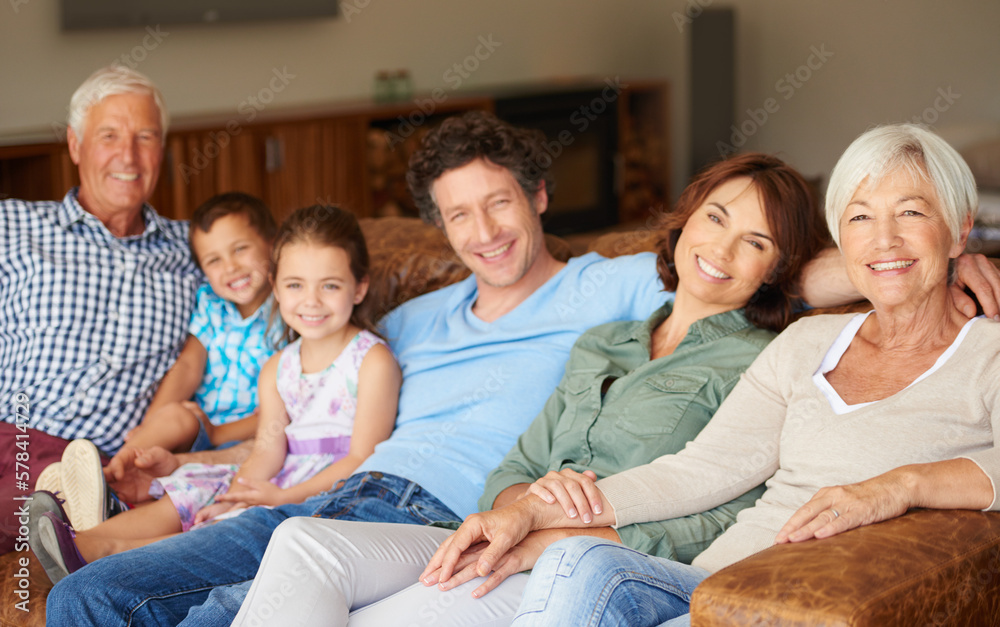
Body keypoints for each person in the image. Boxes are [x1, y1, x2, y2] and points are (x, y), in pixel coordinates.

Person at [45, 111, 676, 626]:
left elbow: (721, 288)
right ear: (440, 226)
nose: (483, 231)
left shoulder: (607, 285)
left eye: (499, 202)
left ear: (538, 196)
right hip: (332, 495)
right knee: (84, 598)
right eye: (458, 214)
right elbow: (310, 426)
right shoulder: (408, 321)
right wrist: (185, 463)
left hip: (437, 519)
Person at [421, 123, 1000, 627]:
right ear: (841, 241)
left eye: (912, 212)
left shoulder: (989, 353)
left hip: (808, 604)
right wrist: (527, 513)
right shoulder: (807, 342)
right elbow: (701, 471)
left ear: (958, 229)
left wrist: (902, 486)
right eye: (860, 217)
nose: (884, 239)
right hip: (707, 588)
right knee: (577, 560)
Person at [228, 152, 830, 626]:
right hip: (500, 531)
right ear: (688, 218)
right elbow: (516, 465)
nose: (721, 249)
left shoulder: (764, 359)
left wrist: (553, 535)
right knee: (304, 543)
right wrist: (523, 505)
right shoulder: (605, 340)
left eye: (757, 242)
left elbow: (730, 509)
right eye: (716, 218)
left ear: (778, 268)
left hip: (583, 563)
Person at [29, 205, 401, 585]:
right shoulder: (278, 367)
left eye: (330, 285)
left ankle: (103, 553)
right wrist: (237, 493)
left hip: (328, 488)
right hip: (280, 472)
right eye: (295, 285)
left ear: (359, 287)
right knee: (205, 488)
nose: (311, 301)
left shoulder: (371, 360)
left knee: (231, 524)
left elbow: (363, 457)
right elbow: (266, 450)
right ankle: (83, 537)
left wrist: (276, 496)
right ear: (276, 287)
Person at [0, 65, 202, 553]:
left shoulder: (197, 251)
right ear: (75, 145)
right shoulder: (12, 226)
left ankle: (74, 514)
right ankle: (69, 509)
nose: (127, 156)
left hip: (110, 466)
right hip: (13, 437)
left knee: (109, 487)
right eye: (108, 135)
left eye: (145, 137)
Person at [35, 192, 282, 532]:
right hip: (202, 425)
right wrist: (151, 425)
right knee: (176, 415)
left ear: (273, 243)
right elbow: (187, 367)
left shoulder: (288, 314)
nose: (231, 267)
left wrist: (218, 431)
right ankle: (107, 479)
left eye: (240, 249)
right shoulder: (212, 306)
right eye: (214, 260)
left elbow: (282, 409)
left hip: (254, 437)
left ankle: (108, 500)